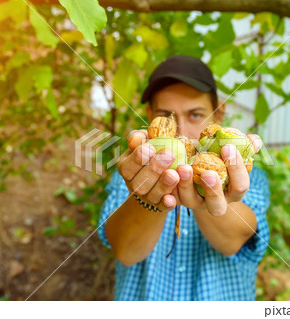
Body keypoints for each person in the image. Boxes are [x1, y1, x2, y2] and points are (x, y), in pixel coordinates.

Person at [98, 55, 270, 301]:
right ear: (150, 116)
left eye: (195, 115)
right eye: (166, 116)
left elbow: (236, 240)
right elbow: (124, 250)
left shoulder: (246, 172)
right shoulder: (132, 172)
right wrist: (148, 200)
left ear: (218, 115)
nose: (181, 131)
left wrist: (207, 193)